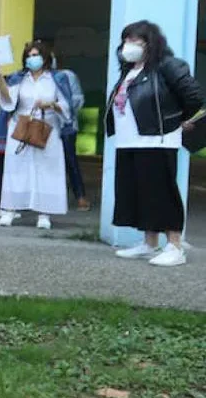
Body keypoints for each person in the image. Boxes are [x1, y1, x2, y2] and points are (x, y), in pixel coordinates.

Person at [105, 20, 203, 267]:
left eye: (136, 41)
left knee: (161, 193)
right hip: (130, 141)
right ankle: (149, 244)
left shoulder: (168, 66)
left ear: (151, 43)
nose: (129, 46)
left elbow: (193, 96)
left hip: (158, 140)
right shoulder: (129, 71)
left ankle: (175, 246)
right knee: (139, 193)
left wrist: (176, 120)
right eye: (126, 40)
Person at [0, 41, 70, 230]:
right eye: (29, 55)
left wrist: (50, 104)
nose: (32, 59)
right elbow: (8, 100)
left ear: (45, 58)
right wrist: (0, 77)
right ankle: (10, 209)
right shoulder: (20, 78)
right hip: (21, 127)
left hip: (47, 128)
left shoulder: (56, 79)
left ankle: (44, 213)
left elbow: (67, 105)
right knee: (15, 168)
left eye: (36, 55)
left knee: (47, 170)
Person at [53, 57, 90, 211]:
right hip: (41, 126)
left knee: (70, 160)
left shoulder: (66, 76)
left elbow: (77, 99)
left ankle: (80, 196)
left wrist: (59, 106)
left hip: (65, 125)